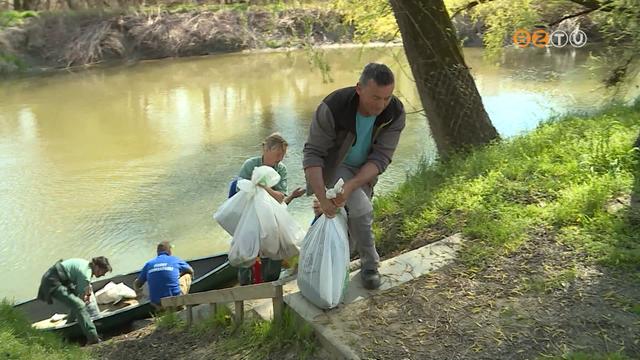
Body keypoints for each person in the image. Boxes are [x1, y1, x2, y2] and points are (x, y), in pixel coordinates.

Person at [303, 63, 406, 290]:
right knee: (361, 210)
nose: (381, 105)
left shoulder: (394, 112)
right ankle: (370, 266)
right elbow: (313, 154)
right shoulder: (334, 107)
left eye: (387, 98)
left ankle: (333, 270)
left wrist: (353, 185)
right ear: (359, 88)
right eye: (375, 97)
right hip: (335, 166)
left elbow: (381, 158)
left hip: (364, 171)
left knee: (353, 221)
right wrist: (321, 196)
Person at [232, 132, 305, 285]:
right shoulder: (250, 165)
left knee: (275, 251)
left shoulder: (281, 169)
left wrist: (263, 187)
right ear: (266, 150)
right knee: (247, 253)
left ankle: (270, 283)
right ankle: (245, 285)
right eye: (278, 154)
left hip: (271, 217)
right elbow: (241, 194)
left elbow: (280, 198)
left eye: (283, 154)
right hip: (250, 216)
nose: (280, 158)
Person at [37, 256, 112, 344]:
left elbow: (84, 288)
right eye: (103, 272)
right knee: (79, 305)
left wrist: (86, 296)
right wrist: (84, 301)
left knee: (77, 303)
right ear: (96, 266)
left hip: (58, 279)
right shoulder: (85, 273)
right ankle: (93, 338)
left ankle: (68, 327)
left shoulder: (86, 266)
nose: (103, 275)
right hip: (52, 281)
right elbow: (82, 294)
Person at [133, 241, 194, 309]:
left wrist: (138, 293)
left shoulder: (149, 264)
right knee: (187, 275)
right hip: (175, 300)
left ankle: (155, 306)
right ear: (169, 251)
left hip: (157, 303)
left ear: (157, 252)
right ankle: (181, 305)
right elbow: (190, 270)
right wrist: (181, 276)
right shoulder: (175, 260)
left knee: (145, 281)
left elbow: (138, 284)